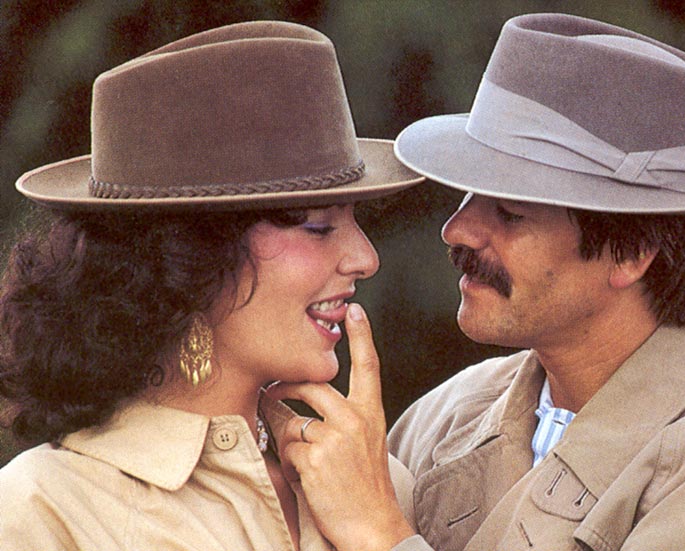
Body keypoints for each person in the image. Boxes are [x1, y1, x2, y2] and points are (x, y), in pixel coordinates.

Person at [265, 13, 685, 551]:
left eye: (510, 212)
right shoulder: (447, 414)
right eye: (468, 196)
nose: (457, 230)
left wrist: (378, 533)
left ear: (632, 253)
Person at [0, 21, 423, 551]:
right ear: (191, 258)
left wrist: (382, 537)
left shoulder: (380, 492)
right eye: (318, 227)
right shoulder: (41, 511)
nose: (365, 258)